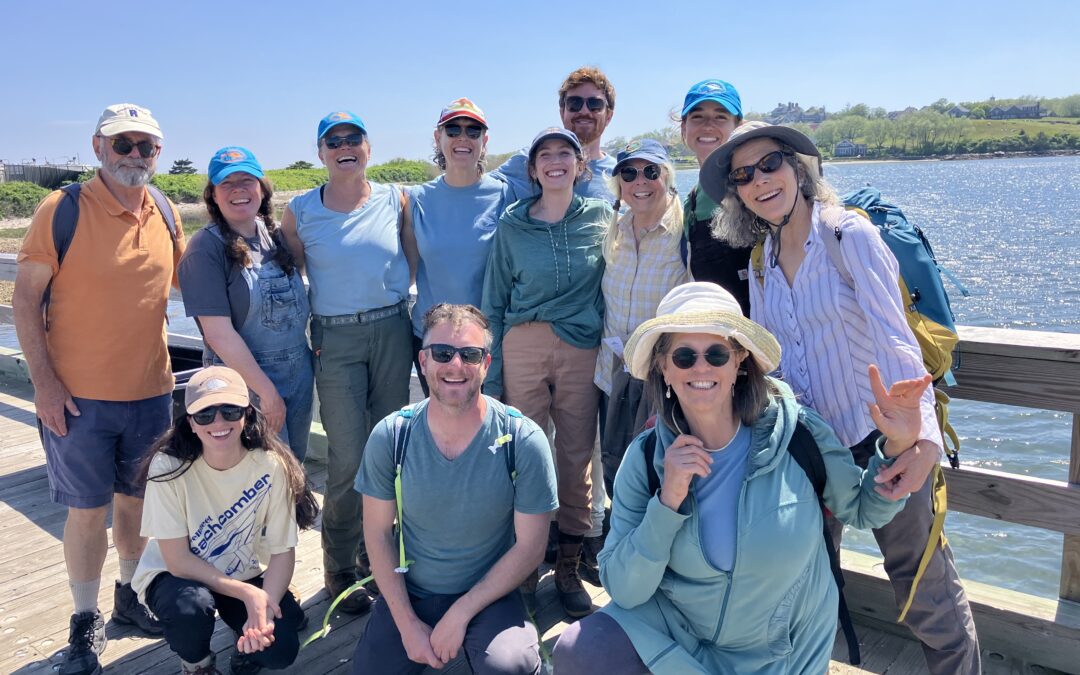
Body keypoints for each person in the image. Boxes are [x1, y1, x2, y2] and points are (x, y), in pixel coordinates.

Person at [701, 122, 981, 673]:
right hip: (812, 451)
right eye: (744, 176)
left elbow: (896, 338)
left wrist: (923, 441)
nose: (760, 181)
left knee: (923, 585)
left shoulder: (847, 235)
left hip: (885, 440)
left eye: (770, 164)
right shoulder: (760, 258)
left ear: (798, 167)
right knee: (808, 582)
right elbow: (775, 363)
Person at [553, 282, 926, 674]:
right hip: (685, 643)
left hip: (783, 657)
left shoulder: (798, 434)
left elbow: (865, 510)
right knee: (580, 649)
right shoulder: (645, 458)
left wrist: (898, 447)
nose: (701, 368)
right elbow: (624, 589)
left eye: (716, 354)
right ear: (663, 367)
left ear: (740, 362)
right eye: (684, 356)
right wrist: (667, 502)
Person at [13, 103, 184, 675]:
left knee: (136, 504)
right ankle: (84, 621)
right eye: (122, 143)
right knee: (87, 512)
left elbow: (191, 283)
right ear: (98, 147)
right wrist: (44, 385)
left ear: (158, 153)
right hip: (78, 398)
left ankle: (128, 596)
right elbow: (24, 299)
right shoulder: (61, 209)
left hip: (152, 393)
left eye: (145, 146)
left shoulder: (165, 210)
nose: (134, 154)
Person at [352, 304, 557, 674]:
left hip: (490, 596)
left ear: (486, 364)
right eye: (443, 353)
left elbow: (530, 548)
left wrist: (460, 612)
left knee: (511, 665)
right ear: (423, 361)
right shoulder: (392, 436)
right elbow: (378, 534)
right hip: (412, 592)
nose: (456, 365)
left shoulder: (523, 440)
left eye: (470, 354)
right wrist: (407, 625)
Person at [280, 111, 413, 614]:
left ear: (368, 147)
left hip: (392, 328)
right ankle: (338, 563)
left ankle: (374, 554)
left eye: (353, 138)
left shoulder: (395, 199)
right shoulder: (300, 211)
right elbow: (288, 275)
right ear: (320, 153)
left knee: (391, 450)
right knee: (348, 456)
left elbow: (411, 261)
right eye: (333, 141)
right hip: (334, 337)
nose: (344, 147)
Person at [481, 128, 611, 617]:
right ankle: (525, 566)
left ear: (580, 165)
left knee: (576, 457)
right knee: (524, 457)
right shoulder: (512, 224)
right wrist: (492, 375)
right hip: (523, 343)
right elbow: (494, 299)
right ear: (533, 170)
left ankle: (569, 567)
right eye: (545, 156)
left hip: (582, 347)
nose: (556, 162)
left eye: (565, 154)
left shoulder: (603, 217)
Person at [132, 366, 318, 675]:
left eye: (230, 410)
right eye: (205, 414)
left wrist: (264, 609)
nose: (218, 422)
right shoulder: (168, 466)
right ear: (190, 422)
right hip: (178, 574)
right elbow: (178, 560)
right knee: (189, 610)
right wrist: (247, 594)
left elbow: (283, 550)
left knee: (280, 649)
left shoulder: (272, 465)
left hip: (247, 571)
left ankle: (245, 644)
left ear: (247, 414)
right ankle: (197, 664)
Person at [178, 146, 313, 461]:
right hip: (243, 385)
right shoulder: (204, 249)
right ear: (213, 195)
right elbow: (218, 335)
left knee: (293, 467)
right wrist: (266, 393)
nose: (238, 189)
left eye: (247, 181)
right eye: (227, 183)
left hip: (298, 374)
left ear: (262, 189)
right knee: (259, 472)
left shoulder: (275, 235)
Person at [595, 139, 689, 495]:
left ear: (667, 176)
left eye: (651, 171)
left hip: (662, 380)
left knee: (657, 474)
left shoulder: (686, 233)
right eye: (629, 173)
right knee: (614, 469)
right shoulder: (612, 231)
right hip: (614, 374)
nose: (640, 182)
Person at [401, 98, 510, 396]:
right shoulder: (416, 199)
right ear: (438, 138)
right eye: (453, 130)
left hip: (486, 341)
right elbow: (408, 272)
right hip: (432, 341)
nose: (463, 138)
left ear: (484, 141)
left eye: (473, 131)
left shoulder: (505, 195)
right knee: (441, 420)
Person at [678, 79, 753, 315]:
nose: (708, 126)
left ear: (738, 127)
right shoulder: (691, 202)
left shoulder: (756, 185)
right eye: (697, 117)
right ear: (684, 128)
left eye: (720, 117)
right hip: (718, 329)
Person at [491, 66, 618, 203]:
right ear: (562, 113)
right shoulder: (527, 160)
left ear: (609, 116)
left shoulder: (622, 174)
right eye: (574, 103)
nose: (584, 111)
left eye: (595, 104)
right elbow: (480, 187)